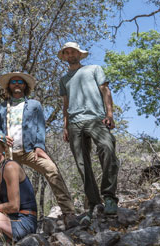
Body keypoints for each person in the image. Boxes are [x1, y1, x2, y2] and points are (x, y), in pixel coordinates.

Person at [0, 72, 76, 224]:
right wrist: (1, 137)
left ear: (25, 85)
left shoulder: (34, 105)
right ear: (9, 86)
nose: (17, 84)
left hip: (30, 151)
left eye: (20, 81)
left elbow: (40, 127)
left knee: (51, 169)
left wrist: (39, 146)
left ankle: (68, 212)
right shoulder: (3, 106)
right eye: (13, 82)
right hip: (8, 153)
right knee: (0, 182)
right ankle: (2, 218)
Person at [59, 42, 120, 216]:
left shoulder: (94, 69)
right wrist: (65, 127)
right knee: (81, 163)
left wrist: (109, 114)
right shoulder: (64, 80)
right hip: (74, 123)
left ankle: (109, 196)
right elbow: (66, 104)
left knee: (107, 148)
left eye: (73, 52)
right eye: (67, 52)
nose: (70, 55)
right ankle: (94, 202)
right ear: (64, 56)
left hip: (95, 118)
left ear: (79, 54)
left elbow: (105, 90)